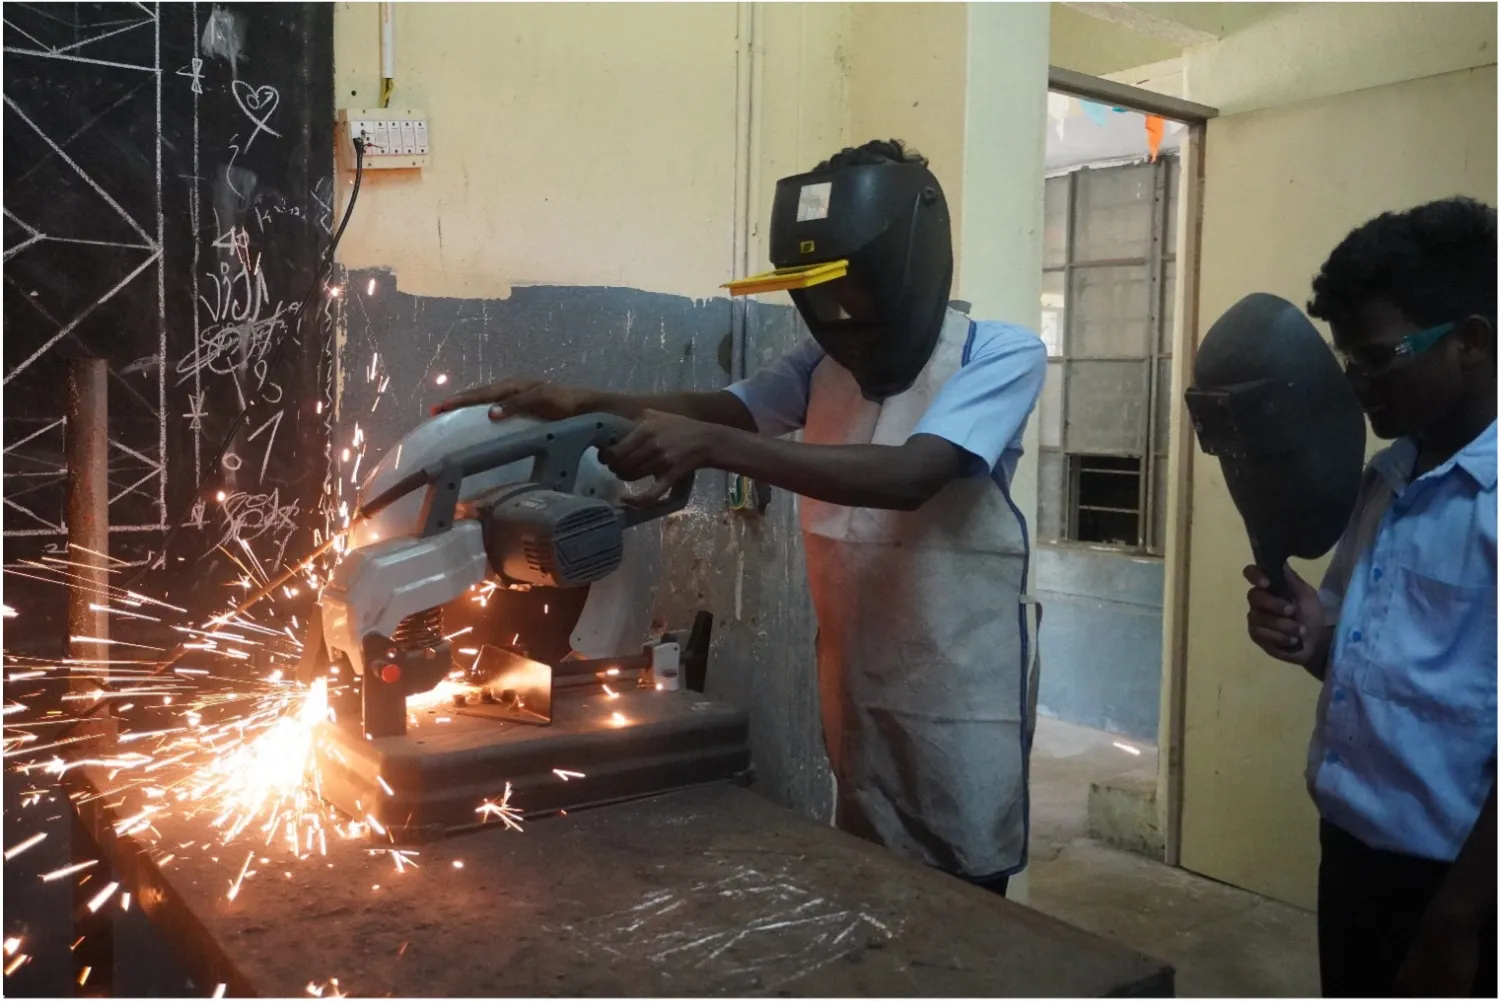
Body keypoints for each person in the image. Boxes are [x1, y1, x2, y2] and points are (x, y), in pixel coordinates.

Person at [438, 139, 1047, 896]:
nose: (835, 321)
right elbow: (725, 409)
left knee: (966, 897)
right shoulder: (822, 365)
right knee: (878, 878)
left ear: (907, 270)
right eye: (818, 297)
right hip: (859, 685)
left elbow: (912, 473)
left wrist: (713, 447)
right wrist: (584, 400)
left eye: (847, 292)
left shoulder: (1000, 355)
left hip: (958, 695)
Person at [1242, 196, 1496, 998]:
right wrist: (1313, 634)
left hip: (1463, 883)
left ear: (1471, 341)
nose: (1357, 385)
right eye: (1347, 359)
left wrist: (1460, 918)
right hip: (1354, 851)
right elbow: (1366, 656)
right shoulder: (1385, 478)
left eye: (1379, 358)